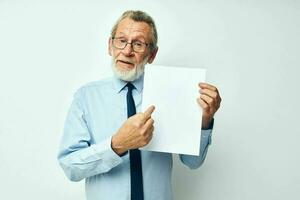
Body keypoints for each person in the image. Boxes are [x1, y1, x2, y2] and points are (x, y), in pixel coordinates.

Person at [57, 10, 222, 200]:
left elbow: (193, 162)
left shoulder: (172, 93)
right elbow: (70, 166)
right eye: (121, 40)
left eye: (138, 44)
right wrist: (116, 145)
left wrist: (204, 121)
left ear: (152, 54)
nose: (127, 51)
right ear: (110, 46)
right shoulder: (86, 97)